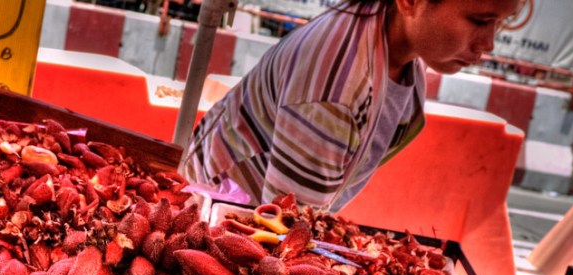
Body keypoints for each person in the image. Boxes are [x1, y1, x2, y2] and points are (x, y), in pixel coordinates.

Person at [180, 0, 525, 211]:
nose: (488, 43)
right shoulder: (337, 86)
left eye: (499, 23)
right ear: (410, 1)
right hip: (222, 215)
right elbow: (283, 229)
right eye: (479, 21)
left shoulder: (394, 50)